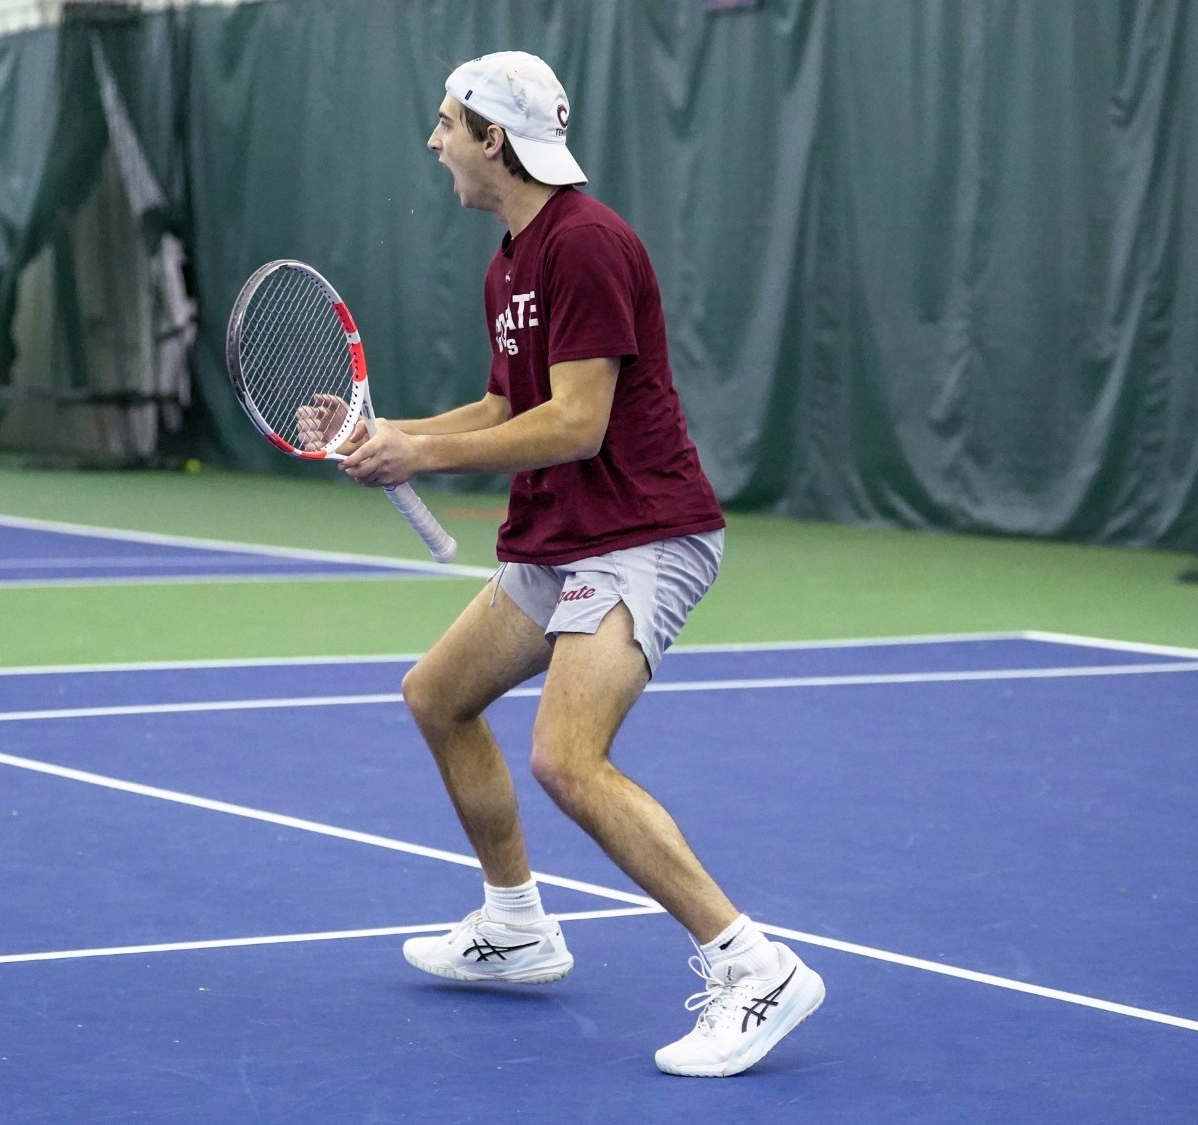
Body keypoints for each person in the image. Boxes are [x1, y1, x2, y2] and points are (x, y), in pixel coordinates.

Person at [330, 51, 824, 1078]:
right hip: (560, 540)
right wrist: (383, 432)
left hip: (642, 533)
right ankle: (515, 926)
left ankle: (754, 966)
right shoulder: (509, 260)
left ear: (491, 140)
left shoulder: (588, 244)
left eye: (446, 123)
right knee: (437, 695)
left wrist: (420, 455)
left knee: (565, 759)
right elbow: (508, 410)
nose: (434, 142)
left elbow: (578, 423)